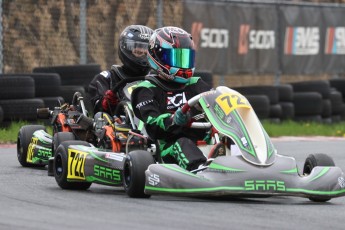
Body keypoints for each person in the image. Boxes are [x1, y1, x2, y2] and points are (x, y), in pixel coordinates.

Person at [131, 26, 213, 171]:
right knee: (182, 143)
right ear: (158, 56)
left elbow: (216, 102)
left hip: (204, 142)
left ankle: (253, 165)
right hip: (167, 148)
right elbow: (153, 126)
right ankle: (201, 171)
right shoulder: (145, 89)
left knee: (228, 139)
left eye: (186, 58)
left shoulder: (196, 84)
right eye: (176, 57)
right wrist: (174, 119)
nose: (182, 64)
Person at [88, 25, 153, 115]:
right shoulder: (106, 79)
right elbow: (98, 110)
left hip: (153, 125)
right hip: (119, 126)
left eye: (146, 53)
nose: (143, 57)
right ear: (126, 49)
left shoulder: (157, 79)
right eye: (138, 52)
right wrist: (107, 102)